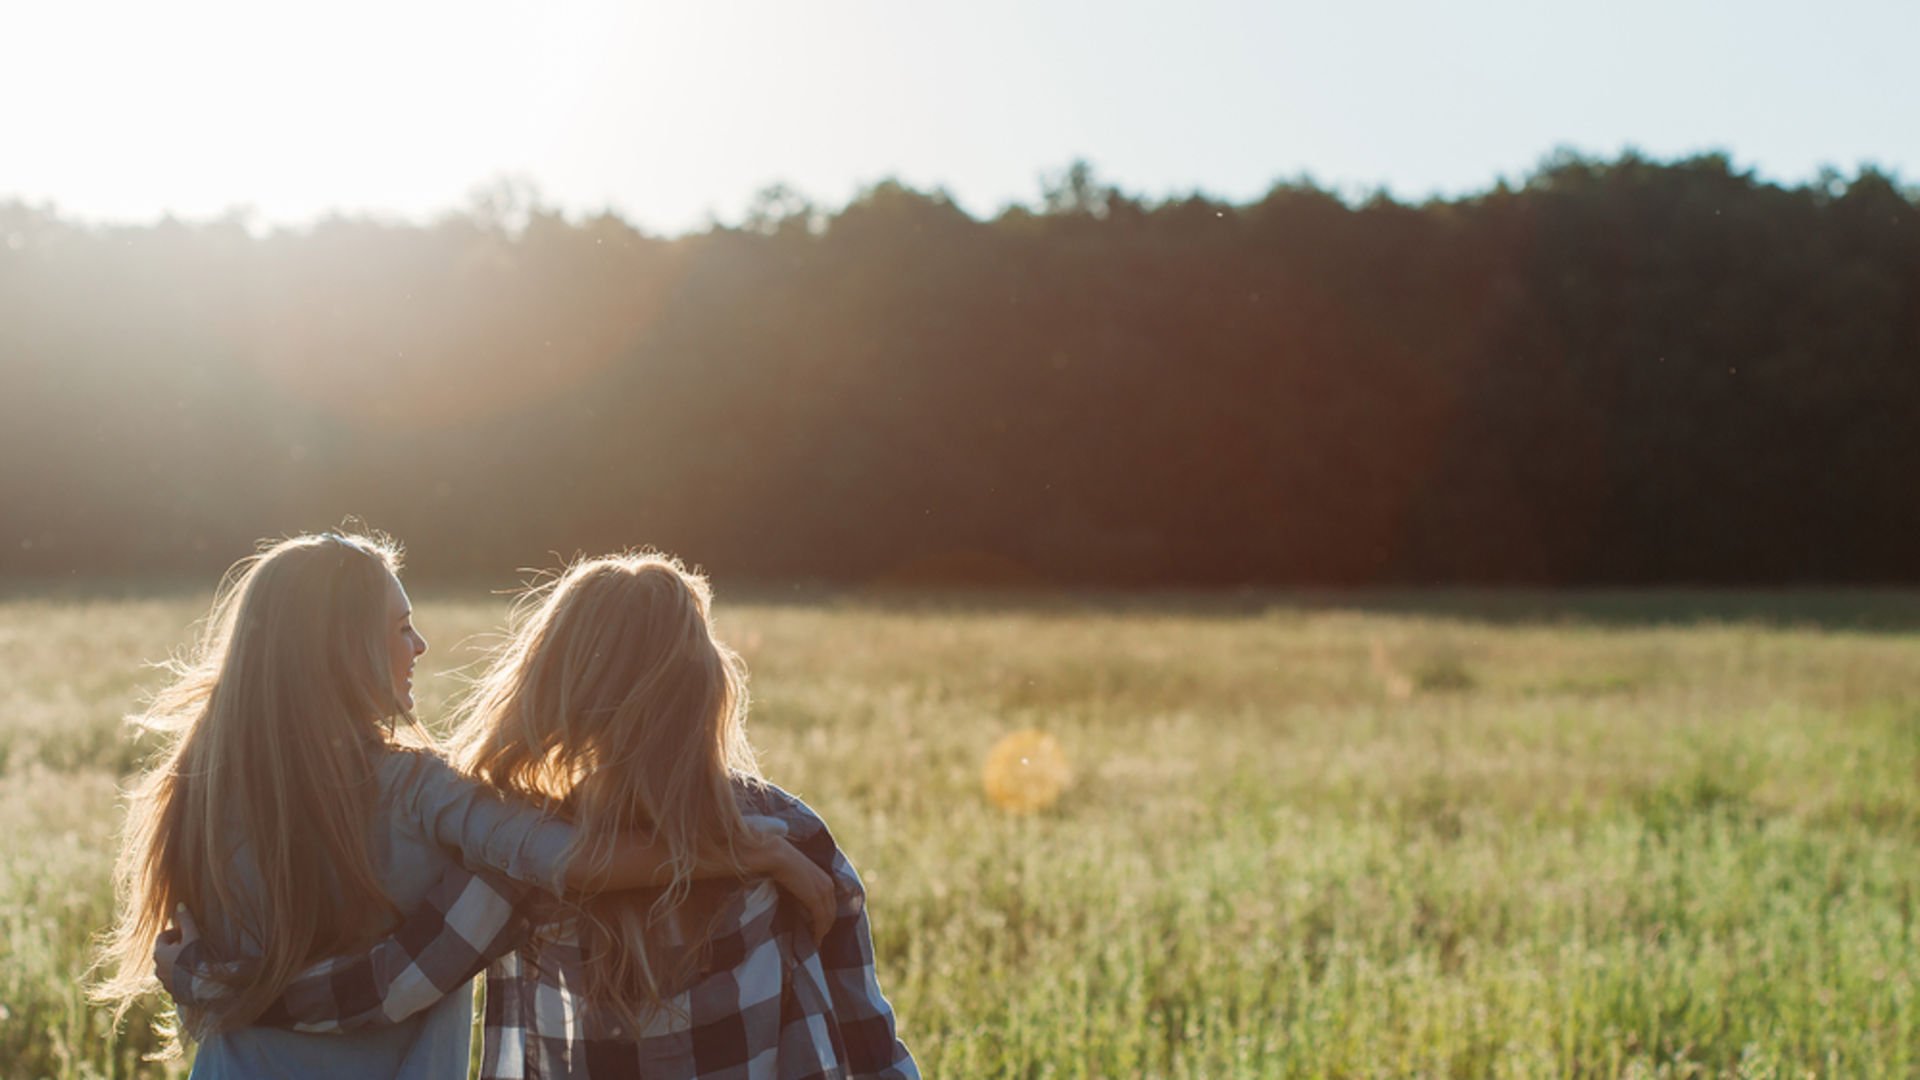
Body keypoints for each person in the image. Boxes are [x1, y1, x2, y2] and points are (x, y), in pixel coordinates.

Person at [95, 531, 836, 1079]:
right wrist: (754, 848)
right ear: (339, 648)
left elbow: (347, 984)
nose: (419, 645)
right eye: (399, 627)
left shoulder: (197, 784)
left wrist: (218, 989)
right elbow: (560, 867)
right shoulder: (419, 792)